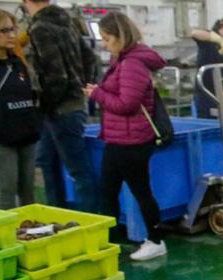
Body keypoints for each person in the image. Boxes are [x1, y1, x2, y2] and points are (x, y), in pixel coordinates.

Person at [83, 12, 167, 261]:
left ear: (121, 36)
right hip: (118, 139)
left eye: (108, 39)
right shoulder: (122, 60)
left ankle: (155, 240)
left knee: (140, 191)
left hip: (132, 141)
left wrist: (97, 94)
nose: (105, 44)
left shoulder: (132, 63)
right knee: (108, 191)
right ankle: (109, 243)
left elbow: (127, 103)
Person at [22, 0, 99, 212]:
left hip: (58, 109)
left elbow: (57, 76)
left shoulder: (40, 29)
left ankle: (90, 221)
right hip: (71, 106)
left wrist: (42, 106)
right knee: (47, 161)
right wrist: (83, 88)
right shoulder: (68, 23)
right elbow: (91, 58)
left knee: (78, 171)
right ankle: (58, 214)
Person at [0, 9, 40, 210]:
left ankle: (29, 234)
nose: (12, 35)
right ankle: (4, 240)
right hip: (2, 140)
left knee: (28, 191)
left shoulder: (18, 62)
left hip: (26, 135)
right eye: (4, 30)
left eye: (13, 29)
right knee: (5, 190)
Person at [191, 13, 223, 118]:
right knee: (209, 126)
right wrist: (219, 39)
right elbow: (194, 33)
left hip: (222, 93)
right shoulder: (209, 38)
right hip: (206, 93)